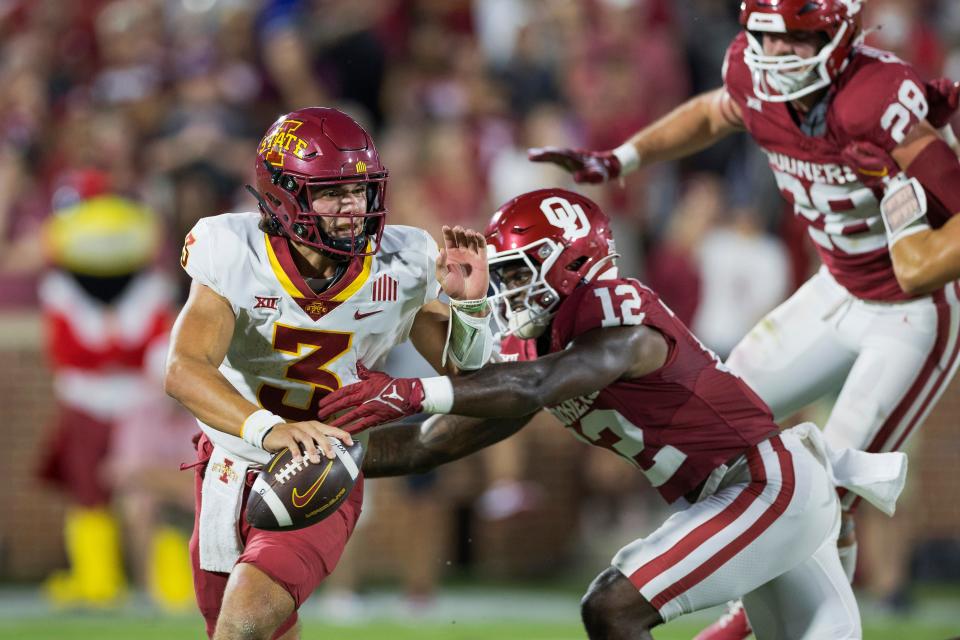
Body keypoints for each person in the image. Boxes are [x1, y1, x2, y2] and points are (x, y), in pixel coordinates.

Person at [526, 2, 960, 636]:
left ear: (838, 34)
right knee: (724, 439)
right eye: (769, 38)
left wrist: (915, 253)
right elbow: (713, 112)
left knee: (827, 489)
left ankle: (754, 625)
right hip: (833, 287)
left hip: (913, 314)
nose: (778, 56)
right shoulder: (749, 75)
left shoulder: (879, 98)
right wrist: (625, 158)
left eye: (797, 40)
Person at [319, 188, 907, 640]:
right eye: (502, 272)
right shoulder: (537, 347)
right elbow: (433, 443)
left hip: (764, 485)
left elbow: (532, 386)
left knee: (613, 605)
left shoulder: (616, 310)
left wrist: (409, 390)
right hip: (739, 495)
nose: (505, 286)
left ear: (572, 265)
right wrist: (326, 453)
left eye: (519, 270)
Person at [163, 107, 493, 640]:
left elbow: (472, 379)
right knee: (254, 629)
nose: (353, 208)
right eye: (333, 192)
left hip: (322, 471)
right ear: (282, 194)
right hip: (228, 465)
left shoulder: (403, 265)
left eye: (361, 191)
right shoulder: (234, 250)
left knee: (242, 625)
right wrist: (271, 429)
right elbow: (183, 370)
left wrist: (471, 311)